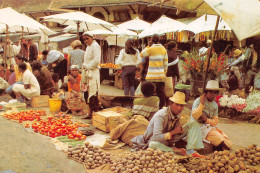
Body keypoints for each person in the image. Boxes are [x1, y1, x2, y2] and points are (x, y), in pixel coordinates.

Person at [131, 91, 206, 157]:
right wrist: (174, 132)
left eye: (181, 105)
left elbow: (176, 128)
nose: (179, 108)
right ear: (170, 104)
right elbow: (156, 137)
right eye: (176, 105)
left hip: (169, 140)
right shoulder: (161, 115)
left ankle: (191, 151)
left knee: (193, 123)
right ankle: (174, 150)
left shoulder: (177, 114)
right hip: (154, 140)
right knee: (152, 145)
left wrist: (180, 130)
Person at [193, 80, 232, 151]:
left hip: (208, 127)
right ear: (205, 93)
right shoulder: (198, 101)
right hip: (197, 127)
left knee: (227, 141)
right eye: (210, 92)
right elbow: (195, 116)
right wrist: (201, 104)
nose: (213, 94)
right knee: (219, 140)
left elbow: (215, 121)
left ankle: (216, 146)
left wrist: (206, 120)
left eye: (215, 92)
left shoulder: (215, 105)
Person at [140, 34, 168, 108]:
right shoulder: (163, 49)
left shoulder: (150, 49)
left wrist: (148, 46)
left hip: (151, 76)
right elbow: (165, 64)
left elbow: (142, 54)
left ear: (151, 40)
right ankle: (161, 108)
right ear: (159, 40)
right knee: (161, 93)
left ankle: (150, 107)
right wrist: (164, 73)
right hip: (160, 75)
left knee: (149, 93)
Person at [81, 32, 101, 118]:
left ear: (92, 38)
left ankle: (94, 113)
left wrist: (88, 66)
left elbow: (96, 60)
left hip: (93, 72)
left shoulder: (95, 46)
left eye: (87, 39)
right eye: (84, 39)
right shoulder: (88, 47)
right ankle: (90, 113)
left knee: (93, 93)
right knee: (87, 93)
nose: (86, 41)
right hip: (87, 71)